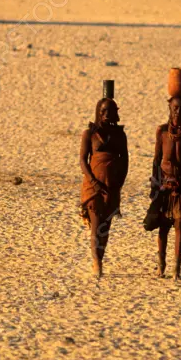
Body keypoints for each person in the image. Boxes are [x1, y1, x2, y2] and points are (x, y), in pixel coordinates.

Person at [144, 96, 181, 279]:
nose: (178, 111)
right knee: (162, 226)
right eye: (175, 108)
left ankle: (176, 268)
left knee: (180, 223)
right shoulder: (162, 132)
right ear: (169, 107)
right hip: (164, 184)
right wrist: (156, 184)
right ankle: (161, 266)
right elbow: (156, 159)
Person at [79, 98, 128, 278]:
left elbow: (125, 162)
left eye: (110, 111)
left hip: (111, 187)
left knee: (105, 227)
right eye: (103, 111)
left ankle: (101, 256)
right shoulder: (89, 134)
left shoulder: (120, 135)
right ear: (98, 112)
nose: (107, 115)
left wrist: (118, 185)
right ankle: (96, 262)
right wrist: (93, 182)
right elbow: (83, 161)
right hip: (93, 187)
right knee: (96, 224)